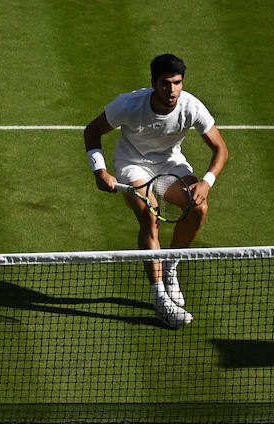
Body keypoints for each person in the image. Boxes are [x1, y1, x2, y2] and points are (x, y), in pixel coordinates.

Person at [83, 54, 229, 329]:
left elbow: (220, 148)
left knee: (198, 208)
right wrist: (99, 170)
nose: (172, 90)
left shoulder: (191, 107)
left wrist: (207, 181)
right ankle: (160, 298)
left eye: (177, 83)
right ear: (154, 83)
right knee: (149, 216)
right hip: (132, 164)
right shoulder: (128, 104)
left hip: (169, 165)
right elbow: (92, 131)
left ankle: (171, 267)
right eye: (165, 84)